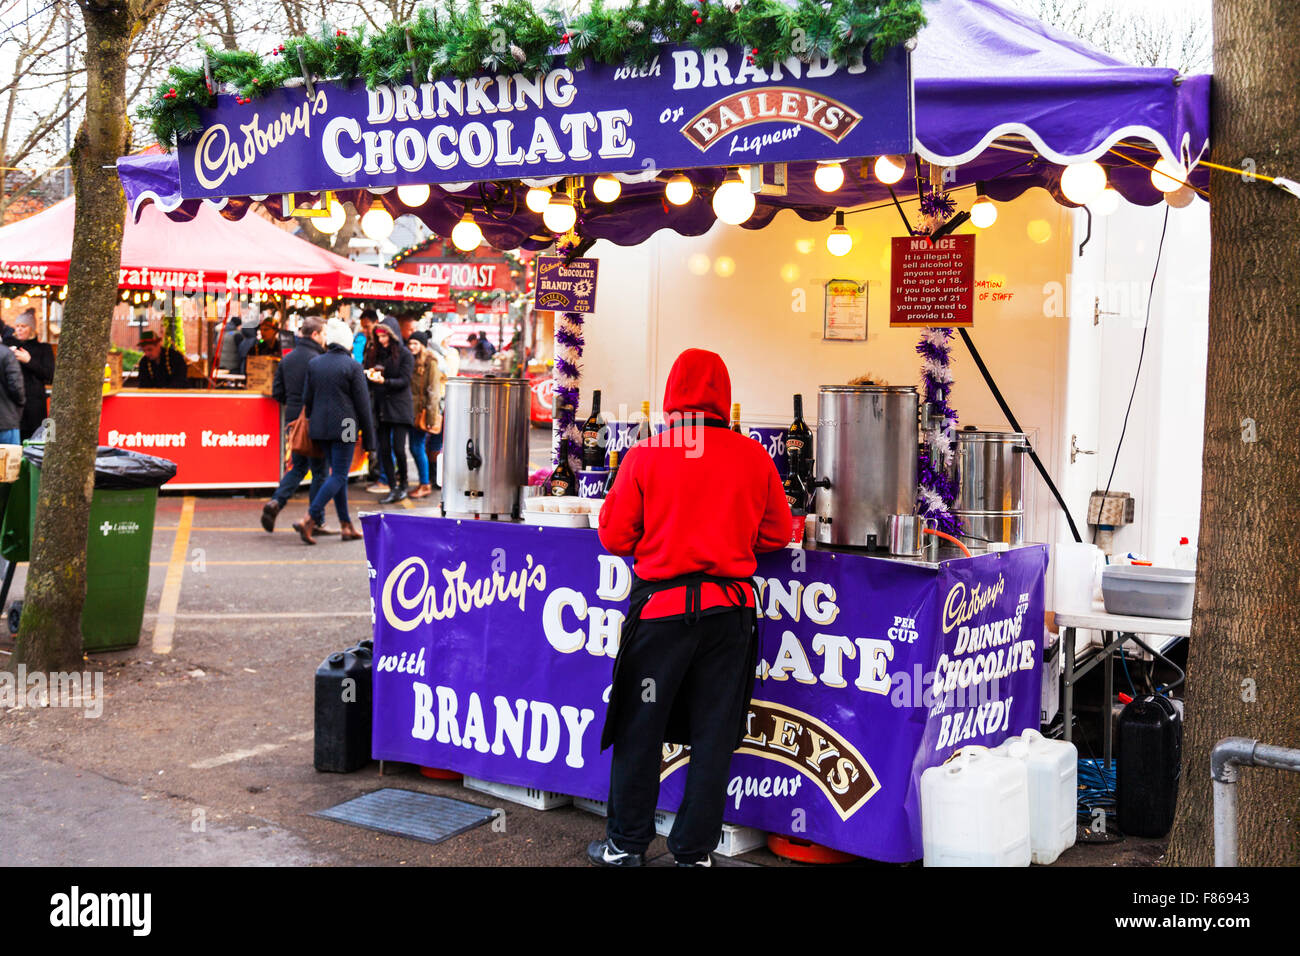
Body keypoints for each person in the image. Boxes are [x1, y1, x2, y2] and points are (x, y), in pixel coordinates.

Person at [588, 348, 792, 868]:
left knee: (640, 729)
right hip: (730, 618)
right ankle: (694, 852)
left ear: (671, 397)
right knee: (714, 734)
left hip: (661, 616)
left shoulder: (646, 454)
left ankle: (625, 845)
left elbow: (613, 535)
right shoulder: (753, 456)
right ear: (724, 396)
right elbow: (776, 534)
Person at [293, 318, 375, 544]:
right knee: (339, 474)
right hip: (346, 426)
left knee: (337, 475)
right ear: (347, 342)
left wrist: (313, 417)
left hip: (320, 427)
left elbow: (307, 400)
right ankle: (310, 517)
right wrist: (370, 441)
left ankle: (345, 524)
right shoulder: (353, 366)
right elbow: (363, 406)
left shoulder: (316, 364)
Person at [262, 315, 334, 533]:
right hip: (315, 420)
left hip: (293, 420)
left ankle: (276, 502)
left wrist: (293, 406)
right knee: (320, 472)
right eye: (323, 333)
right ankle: (316, 519)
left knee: (298, 466)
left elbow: (277, 392)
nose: (325, 338)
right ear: (315, 334)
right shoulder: (320, 360)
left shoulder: (288, 358)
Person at [364, 317, 415, 504]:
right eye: (379, 336)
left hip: (399, 407)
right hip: (380, 406)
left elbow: (405, 380)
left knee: (399, 449)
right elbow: (368, 370)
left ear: (392, 335)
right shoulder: (374, 353)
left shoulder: (404, 354)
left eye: (384, 336)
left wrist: (384, 381)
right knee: (383, 449)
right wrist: (369, 375)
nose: (382, 340)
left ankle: (404, 485)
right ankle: (393, 487)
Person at [3, 312, 55, 441]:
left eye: (24, 326)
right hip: (13, 407)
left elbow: (50, 375)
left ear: (31, 329)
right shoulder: (7, 347)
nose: (19, 329)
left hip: (34, 407)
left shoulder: (43, 348)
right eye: (17, 326)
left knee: (33, 443)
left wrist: (29, 361)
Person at [406, 335, 439, 499]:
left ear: (422, 345)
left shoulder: (430, 362)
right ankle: (423, 482)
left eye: (415, 343)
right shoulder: (410, 360)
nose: (412, 346)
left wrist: (431, 419)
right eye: (410, 343)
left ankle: (425, 484)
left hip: (421, 412)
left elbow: (433, 392)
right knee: (414, 447)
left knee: (417, 447)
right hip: (409, 412)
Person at [0, 340, 25, 445]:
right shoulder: (6, 354)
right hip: (6, 420)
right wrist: (21, 403)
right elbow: (16, 387)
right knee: (10, 460)